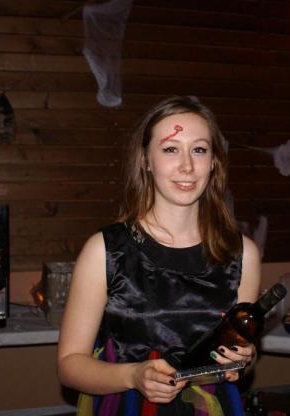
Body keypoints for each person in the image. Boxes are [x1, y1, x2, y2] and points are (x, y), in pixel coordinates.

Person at [57, 95, 261, 415]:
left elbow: (242, 357)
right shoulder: (105, 250)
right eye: (170, 149)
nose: (187, 166)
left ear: (214, 162)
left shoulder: (242, 253)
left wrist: (244, 359)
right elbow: (70, 365)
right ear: (145, 161)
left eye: (199, 149)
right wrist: (133, 375)